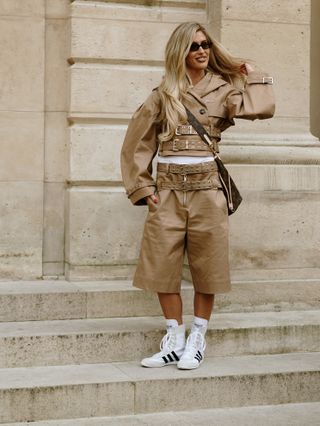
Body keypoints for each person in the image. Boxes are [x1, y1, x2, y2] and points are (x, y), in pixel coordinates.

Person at [120, 22, 275, 370]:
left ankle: (197, 339)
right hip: (169, 190)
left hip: (208, 190)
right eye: (193, 47)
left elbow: (260, 109)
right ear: (181, 52)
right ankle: (174, 340)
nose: (201, 51)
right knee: (162, 265)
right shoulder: (163, 94)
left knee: (209, 266)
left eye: (205, 44)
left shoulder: (223, 90)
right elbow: (137, 143)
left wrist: (253, 73)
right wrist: (144, 189)